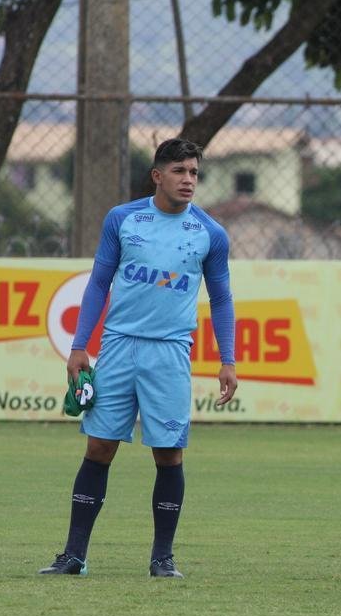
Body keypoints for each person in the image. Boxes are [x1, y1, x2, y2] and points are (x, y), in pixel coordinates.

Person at [38, 138, 238, 579]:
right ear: (157, 175)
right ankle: (74, 555)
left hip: (170, 353)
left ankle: (162, 558)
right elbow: (98, 284)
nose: (188, 180)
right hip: (118, 347)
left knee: (169, 454)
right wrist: (78, 346)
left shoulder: (210, 232)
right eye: (180, 171)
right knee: (99, 446)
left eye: (194, 173)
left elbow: (221, 298)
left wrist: (229, 358)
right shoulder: (123, 219)